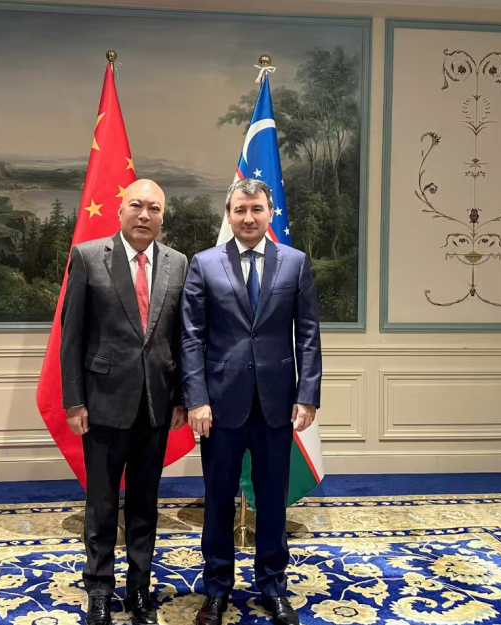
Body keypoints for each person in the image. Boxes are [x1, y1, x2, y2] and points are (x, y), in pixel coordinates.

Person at [180, 178, 322, 625]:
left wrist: (307, 395)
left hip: (277, 404)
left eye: (256, 209)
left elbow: (308, 335)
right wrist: (196, 399)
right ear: (228, 214)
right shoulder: (204, 264)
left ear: (269, 213)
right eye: (239, 209)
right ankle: (216, 590)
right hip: (220, 405)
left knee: (272, 500)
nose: (248, 217)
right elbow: (191, 338)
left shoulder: (294, 263)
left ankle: (273, 587)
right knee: (219, 500)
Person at [60, 178, 188, 625]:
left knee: (144, 506)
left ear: (162, 216)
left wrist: (182, 398)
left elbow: (181, 338)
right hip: (103, 404)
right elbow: (71, 336)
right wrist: (74, 400)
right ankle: (99, 589)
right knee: (101, 506)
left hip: (156, 405)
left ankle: (138, 591)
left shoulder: (177, 263)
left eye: (154, 208)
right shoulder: (88, 256)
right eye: (136, 205)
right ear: (120, 211)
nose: (144, 215)